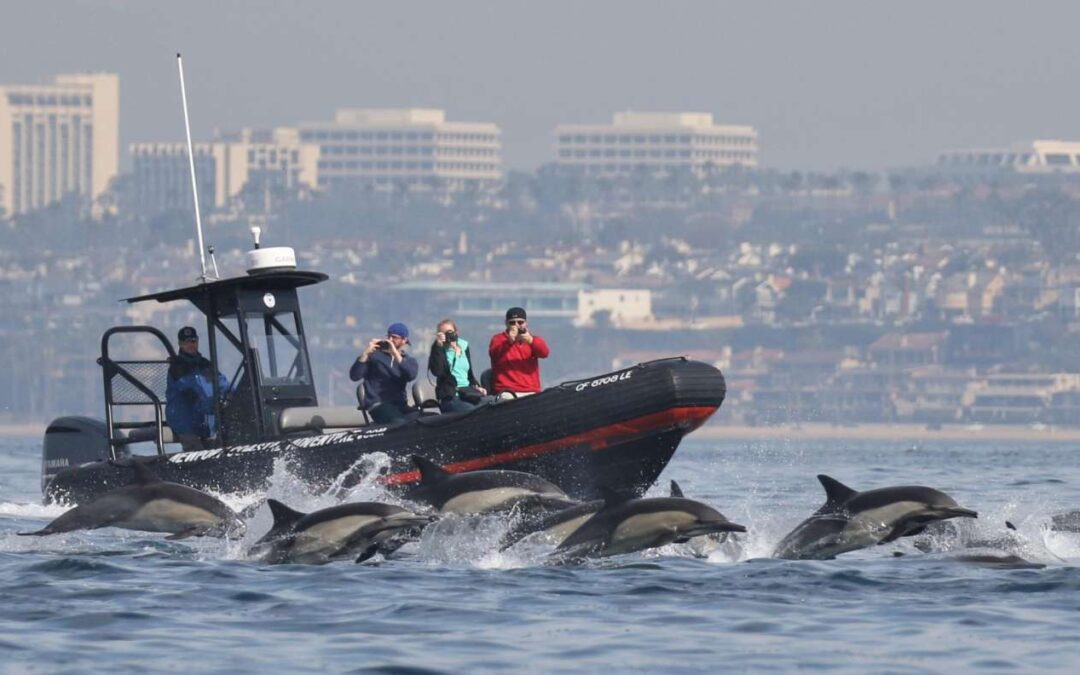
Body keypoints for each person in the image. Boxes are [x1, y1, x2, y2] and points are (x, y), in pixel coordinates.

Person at [166, 326, 229, 451]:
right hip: (185, 422)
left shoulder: (205, 365)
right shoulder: (177, 368)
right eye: (186, 342)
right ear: (180, 344)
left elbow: (222, 383)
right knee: (196, 451)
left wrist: (232, 395)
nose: (190, 345)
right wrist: (211, 406)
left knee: (219, 448)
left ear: (198, 341)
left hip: (205, 423)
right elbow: (191, 393)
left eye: (193, 341)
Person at [350, 322, 419, 423]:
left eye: (394, 337)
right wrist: (365, 354)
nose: (390, 340)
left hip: (400, 405)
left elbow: (411, 375)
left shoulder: (409, 361)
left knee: (428, 419)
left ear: (404, 340)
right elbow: (355, 376)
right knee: (399, 422)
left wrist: (395, 354)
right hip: (379, 404)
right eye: (389, 336)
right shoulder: (374, 356)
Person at [488, 307, 550, 399]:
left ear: (526, 323)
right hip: (507, 391)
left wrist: (531, 341)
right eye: (512, 323)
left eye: (520, 322)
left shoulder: (532, 340)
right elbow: (495, 353)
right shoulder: (498, 339)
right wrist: (510, 341)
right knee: (507, 398)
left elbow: (544, 353)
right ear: (506, 324)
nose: (516, 325)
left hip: (531, 390)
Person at [428, 319, 487, 413]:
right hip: (451, 396)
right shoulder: (438, 350)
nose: (447, 336)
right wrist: (438, 346)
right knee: (472, 412)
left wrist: (476, 386)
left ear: (456, 332)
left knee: (491, 406)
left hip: (468, 393)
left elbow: (469, 374)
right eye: (443, 334)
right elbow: (437, 371)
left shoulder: (464, 345)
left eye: (449, 332)